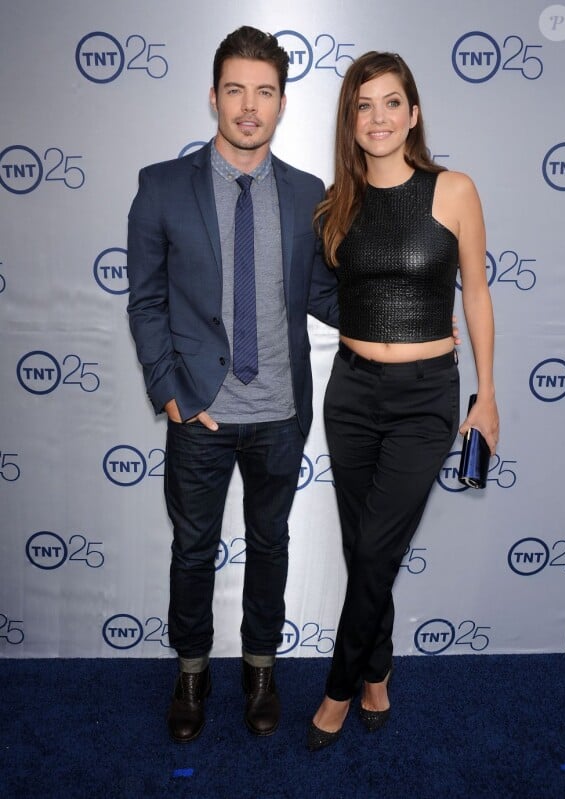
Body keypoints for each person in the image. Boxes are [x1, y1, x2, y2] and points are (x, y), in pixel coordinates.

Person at [126, 26, 340, 742]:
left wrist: (410, 310)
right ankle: (191, 670)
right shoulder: (161, 187)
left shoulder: (309, 194)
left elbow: (327, 296)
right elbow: (147, 300)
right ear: (213, 95)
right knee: (192, 550)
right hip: (201, 414)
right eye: (235, 90)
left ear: (282, 103)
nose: (249, 106)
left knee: (270, 544)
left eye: (265, 92)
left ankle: (259, 666)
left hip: (280, 414)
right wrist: (170, 391)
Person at [307, 51, 499, 751]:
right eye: (364, 105)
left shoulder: (453, 189)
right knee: (366, 547)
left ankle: (337, 685)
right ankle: (378, 670)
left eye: (392, 103)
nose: (378, 117)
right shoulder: (337, 204)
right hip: (351, 393)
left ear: (413, 113)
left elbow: (475, 291)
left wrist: (487, 396)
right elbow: (328, 293)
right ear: (350, 121)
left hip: (426, 399)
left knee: (379, 544)